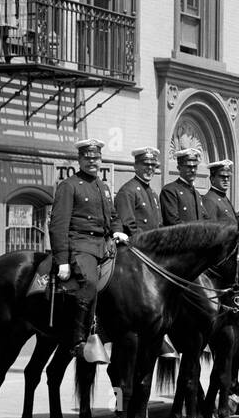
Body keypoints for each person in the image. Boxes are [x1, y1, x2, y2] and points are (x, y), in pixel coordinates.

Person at [48, 139, 129, 355]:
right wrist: (62, 260)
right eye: (87, 158)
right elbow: (58, 224)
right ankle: (78, 339)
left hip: (104, 245)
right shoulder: (69, 185)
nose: (92, 162)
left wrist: (117, 229)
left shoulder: (102, 186)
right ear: (79, 159)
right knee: (90, 283)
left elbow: (112, 215)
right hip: (80, 245)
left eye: (96, 158)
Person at [114, 147, 162, 237]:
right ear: (135, 166)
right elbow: (128, 224)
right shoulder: (128, 191)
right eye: (146, 164)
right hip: (138, 245)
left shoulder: (153, 194)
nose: (150, 168)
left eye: (153, 165)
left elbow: (158, 223)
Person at [160, 149, 203, 226]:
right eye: (189, 167)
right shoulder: (170, 191)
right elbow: (172, 221)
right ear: (179, 168)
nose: (193, 170)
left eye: (195, 166)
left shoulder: (196, 193)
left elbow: (204, 219)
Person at [197, 158, 239, 225]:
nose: (226, 180)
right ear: (212, 179)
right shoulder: (209, 199)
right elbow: (211, 228)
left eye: (228, 177)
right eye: (222, 176)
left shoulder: (223, 197)